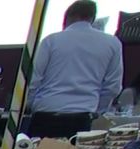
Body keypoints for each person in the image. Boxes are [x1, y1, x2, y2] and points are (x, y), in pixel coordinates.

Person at [25, 0, 122, 138]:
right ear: (92, 18)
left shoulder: (51, 41)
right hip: (82, 116)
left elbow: (34, 79)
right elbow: (113, 87)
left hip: (46, 113)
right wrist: (97, 110)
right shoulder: (112, 43)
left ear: (67, 17)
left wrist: (29, 105)